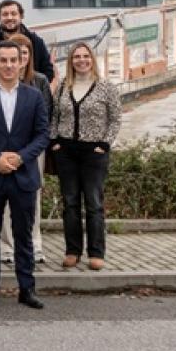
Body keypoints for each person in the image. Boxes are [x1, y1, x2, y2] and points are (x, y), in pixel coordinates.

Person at [0, 40, 49, 309]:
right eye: (3, 60)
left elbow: (42, 135)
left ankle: (27, 289)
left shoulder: (34, 96)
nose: (8, 65)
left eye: (13, 60)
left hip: (23, 175)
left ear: (21, 62)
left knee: (23, 236)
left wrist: (21, 157)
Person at [50, 41, 122, 271]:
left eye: (86, 56)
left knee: (94, 203)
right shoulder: (63, 87)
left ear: (92, 59)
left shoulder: (106, 87)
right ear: (71, 61)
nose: (81, 60)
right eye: (76, 57)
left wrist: (105, 143)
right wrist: (55, 142)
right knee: (70, 203)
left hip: (94, 152)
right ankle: (72, 251)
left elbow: (116, 119)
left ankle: (96, 252)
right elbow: (54, 117)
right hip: (67, 152)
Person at [0, 33, 52, 264]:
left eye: (20, 55)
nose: (13, 63)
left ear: (26, 58)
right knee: (4, 200)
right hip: (3, 153)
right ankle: (7, 245)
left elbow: (45, 119)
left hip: (31, 152)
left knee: (32, 197)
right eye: (7, 58)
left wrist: (26, 153)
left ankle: (33, 243)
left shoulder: (39, 82)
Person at [0, 0, 55, 83]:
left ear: (21, 16)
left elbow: (48, 72)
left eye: (13, 14)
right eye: (5, 14)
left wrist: (34, 88)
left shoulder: (35, 41)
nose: (9, 17)